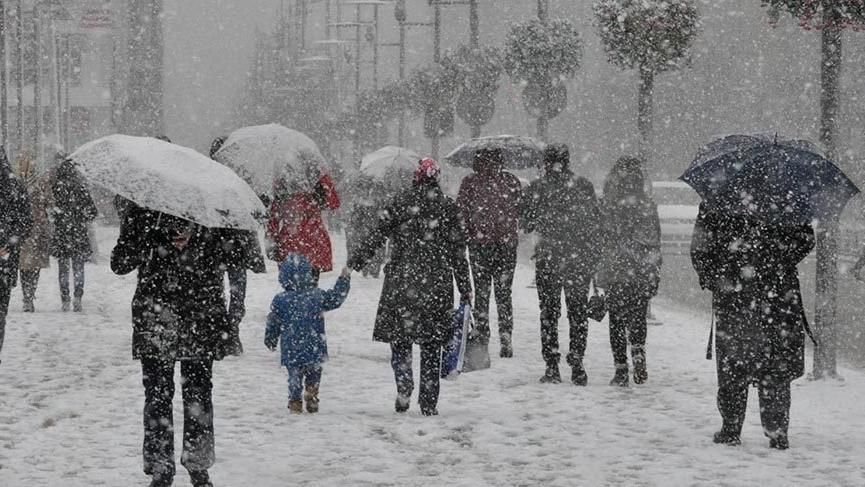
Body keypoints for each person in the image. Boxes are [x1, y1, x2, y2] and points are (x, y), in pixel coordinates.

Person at [112, 206, 241, 487]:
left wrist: (199, 240)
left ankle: (197, 464)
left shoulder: (212, 211)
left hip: (200, 315)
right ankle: (161, 466)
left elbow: (235, 258)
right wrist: (151, 240)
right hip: (155, 317)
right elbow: (119, 263)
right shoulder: (143, 211)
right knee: (158, 395)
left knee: (198, 394)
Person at [348, 158, 472, 416]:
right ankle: (428, 401)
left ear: (416, 178)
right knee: (431, 345)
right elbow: (459, 252)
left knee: (400, 338)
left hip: (402, 280)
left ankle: (404, 384)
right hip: (437, 283)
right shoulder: (448, 208)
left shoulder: (400, 202)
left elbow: (377, 235)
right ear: (436, 180)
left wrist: (354, 262)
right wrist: (465, 286)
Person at [690, 203, 813, 450]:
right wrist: (777, 259)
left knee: (733, 364)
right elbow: (806, 240)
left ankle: (731, 427)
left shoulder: (719, 198)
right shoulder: (785, 197)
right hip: (777, 296)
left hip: (734, 295)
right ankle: (777, 430)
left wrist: (717, 276)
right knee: (775, 364)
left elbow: (700, 248)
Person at [521, 144, 602, 385]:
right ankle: (577, 363)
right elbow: (596, 222)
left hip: (549, 258)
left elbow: (526, 223)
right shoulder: (584, 186)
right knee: (577, 313)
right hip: (579, 258)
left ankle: (552, 365)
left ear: (546, 162)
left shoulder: (538, 188)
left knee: (549, 313)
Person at [596, 157, 662, 387]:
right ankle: (638, 351)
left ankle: (621, 368)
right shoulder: (647, 205)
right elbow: (655, 240)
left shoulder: (609, 205)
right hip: (641, 269)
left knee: (616, 319)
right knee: (637, 316)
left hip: (616, 269)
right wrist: (653, 270)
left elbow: (600, 239)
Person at [456, 146, 522, 362]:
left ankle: (483, 336)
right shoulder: (511, 181)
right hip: (506, 245)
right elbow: (521, 209)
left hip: (480, 245)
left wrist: (468, 236)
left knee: (482, 293)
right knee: (504, 293)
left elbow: (461, 213)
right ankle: (506, 334)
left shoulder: (470, 183)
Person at [265, 253, 351, 413]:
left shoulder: (280, 299)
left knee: (294, 376)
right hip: (314, 344)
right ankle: (312, 391)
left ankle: (295, 400)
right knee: (314, 371)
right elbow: (335, 299)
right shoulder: (316, 296)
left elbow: (273, 321)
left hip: (291, 347)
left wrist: (270, 339)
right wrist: (344, 280)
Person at [209, 135, 266, 355]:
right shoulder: (240, 178)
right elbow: (258, 210)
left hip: (219, 243)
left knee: (221, 291)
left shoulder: (211, 176)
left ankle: (227, 331)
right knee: (234, 291)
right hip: (234, 243)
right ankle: (230, 332)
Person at [267, 159, 341, 283]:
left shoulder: (283, 189)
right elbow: (334, 203)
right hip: (314, 242)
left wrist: (271, 241)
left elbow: (273, 220)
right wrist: (324, 180)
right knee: (311, 288)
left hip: (289, 243)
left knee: (290, 287)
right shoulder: (318, 187)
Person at [50, 156, 97, 312]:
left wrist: (59, 217)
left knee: (63, 268)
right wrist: (81, 215)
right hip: (78, 234)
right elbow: (92, 212)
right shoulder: (81, 188)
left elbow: (51, 211)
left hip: (62, 234)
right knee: (78, 268)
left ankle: (65, 298)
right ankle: (78, 296)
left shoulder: (56, 188)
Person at [0, 147, 33, 363]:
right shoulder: (15, 186)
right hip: (5, 262)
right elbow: (26, 224)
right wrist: (9, 244)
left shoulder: (15, 187)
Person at [15, 151, 53, 312]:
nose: (24, 163)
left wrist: (43, 204)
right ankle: (27, 297)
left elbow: (50, 201)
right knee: (24, 266)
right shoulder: (14, 181)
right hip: (21, 228)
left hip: (37, 229)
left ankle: (30, 295)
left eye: (27, 160)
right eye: (22, 160)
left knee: (34, 266)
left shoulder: (41, 181)